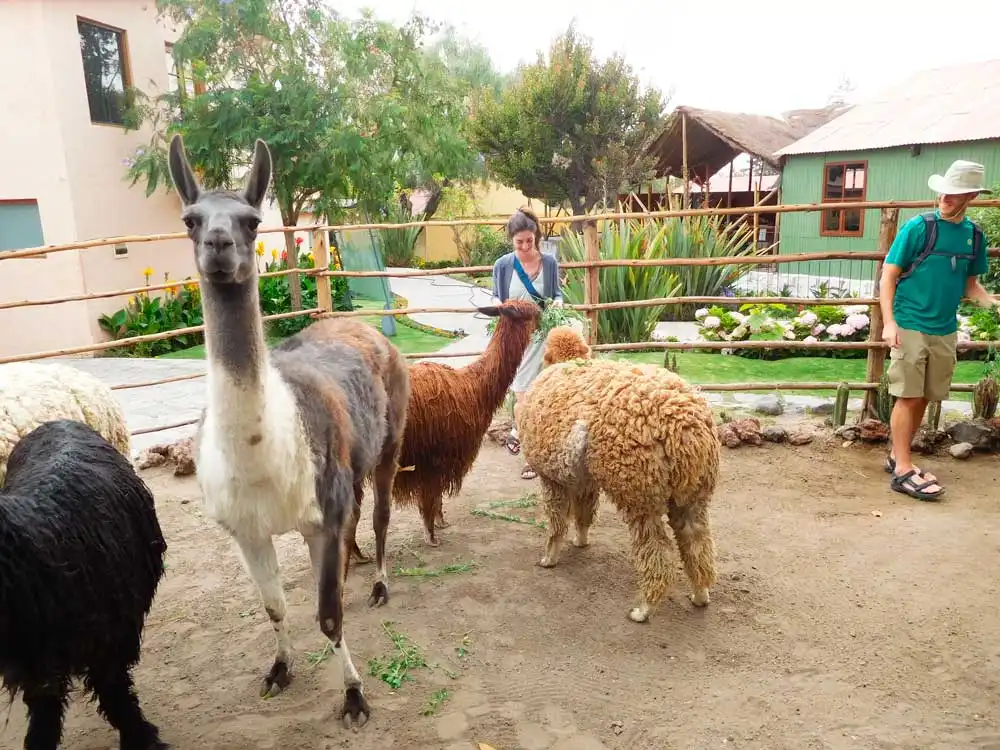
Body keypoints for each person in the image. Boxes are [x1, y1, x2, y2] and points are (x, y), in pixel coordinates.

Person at [880, 159, 995, 500]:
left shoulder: (973, 236)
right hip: (909, 321)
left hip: (944, 328)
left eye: (955, 192)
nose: (945, 197)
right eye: (944, 190)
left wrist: (991, 303)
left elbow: (971, 286)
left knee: (927, 395)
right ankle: (902, 469)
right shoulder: (919, 228)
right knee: (908, 394)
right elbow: (888, 275)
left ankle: (897, 455)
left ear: (971, 195)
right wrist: (889, 323)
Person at [490, 207, 563, 480]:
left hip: (542, 334)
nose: (523, 246)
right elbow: (497, 296)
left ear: (537, 238)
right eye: (518, 242)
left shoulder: (550, 263)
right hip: (514, 337)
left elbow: (556, 294)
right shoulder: (503, 265)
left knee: (535, 393)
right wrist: (500, 307)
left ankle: (530, 453)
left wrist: (557, 304)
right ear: (512, 240)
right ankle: (521, 432)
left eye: (528, 241)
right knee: (522, 391)